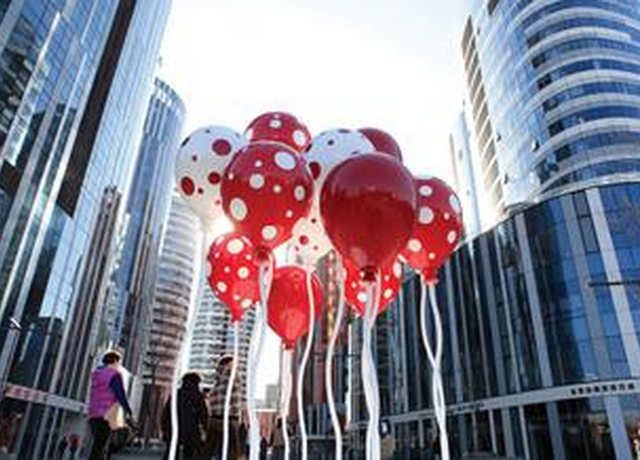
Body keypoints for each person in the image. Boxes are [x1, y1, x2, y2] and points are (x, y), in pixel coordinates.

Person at [88, 350, 133, 460]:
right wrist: (128, 410)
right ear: (114, 361)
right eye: (118, 362)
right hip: (107, 414)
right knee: (100, 445)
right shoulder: (115, 375)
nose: (118, 365)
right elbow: (120, 394)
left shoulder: (96, 374)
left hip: (93, 414)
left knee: (99, 444)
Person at [161, 372, 208, 460]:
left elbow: (166, 412)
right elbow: (203, 415)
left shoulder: (176, 394)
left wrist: (164, 428)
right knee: (189, 454)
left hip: (173, 428)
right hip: (191, 431)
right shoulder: (198, 396)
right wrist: (204, 428)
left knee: (171, 452)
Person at [205, 355, 243, 459]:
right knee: (231, 453)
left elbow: (211, 401)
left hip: (214, 419)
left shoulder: (217, 380)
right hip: (229, 419)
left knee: (208, 452)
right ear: (229, 364)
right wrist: (237, 415)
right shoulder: (233, 375)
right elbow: (236, 398)